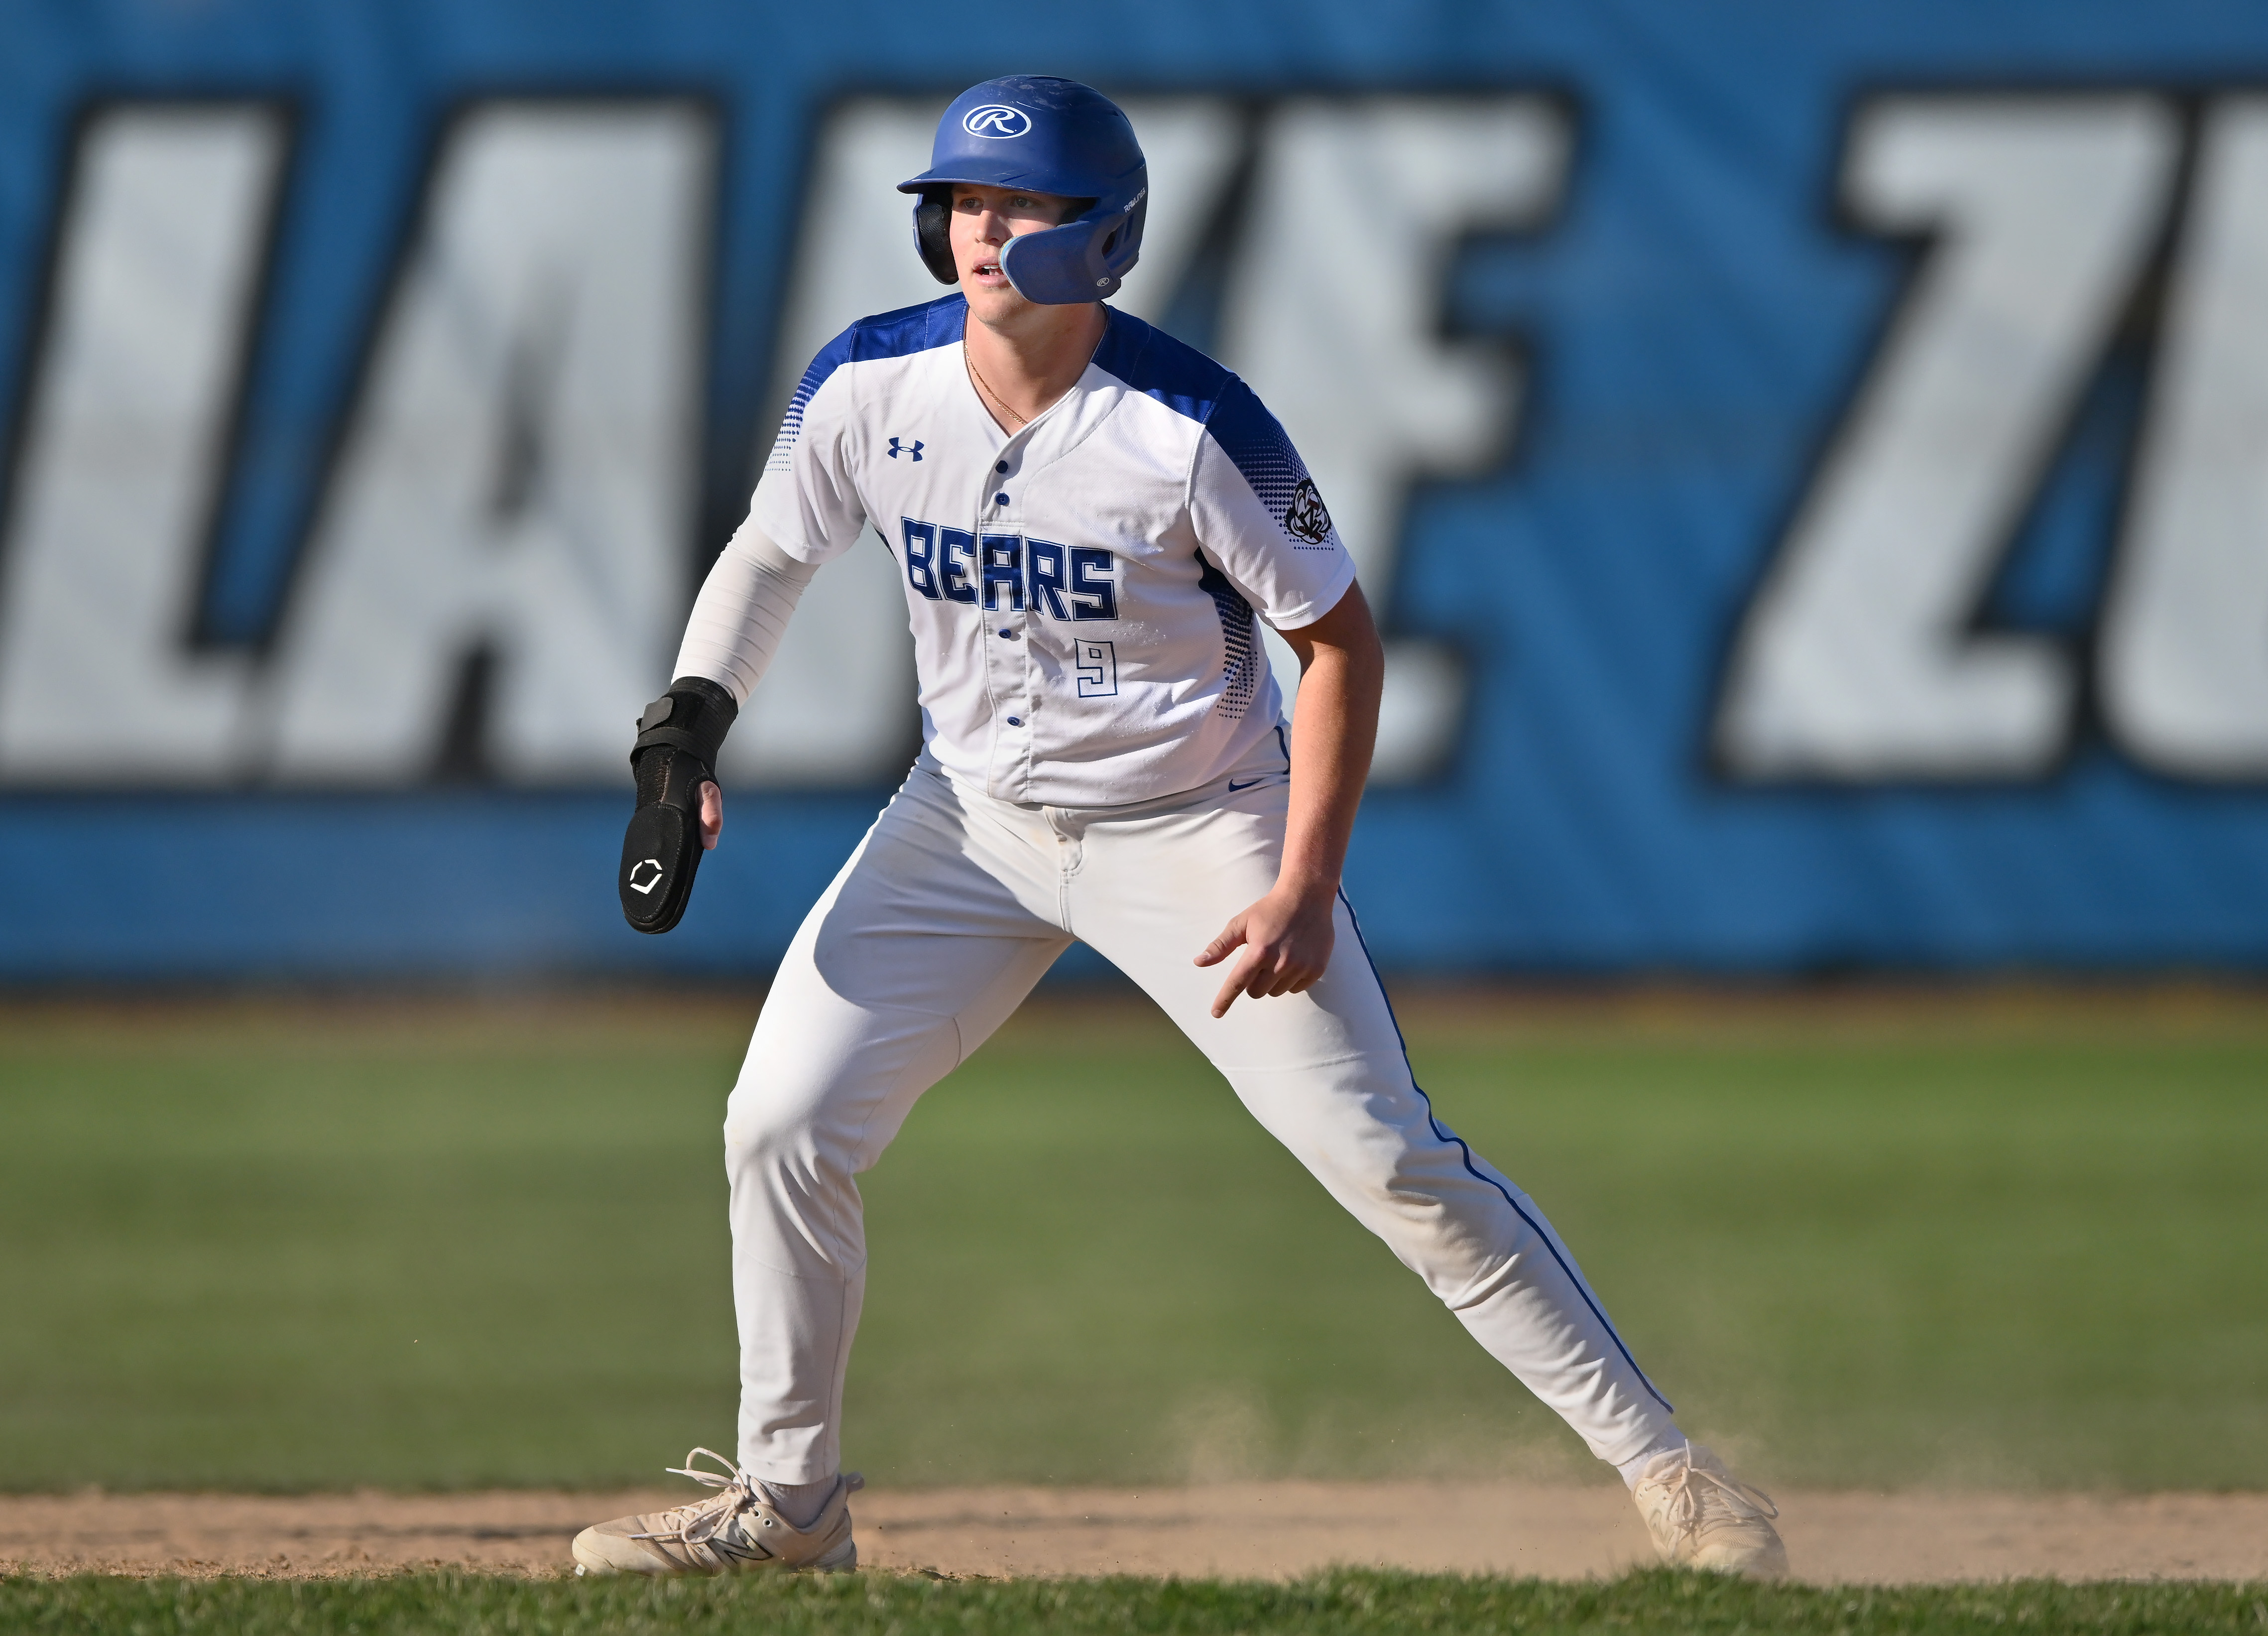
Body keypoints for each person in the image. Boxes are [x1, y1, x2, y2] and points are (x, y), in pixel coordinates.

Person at [575, 75, 1787, 1579]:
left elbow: (1338, 644)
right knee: (779, 1125)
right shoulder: (868, 384)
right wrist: (687, 721)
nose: (978, 229)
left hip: (1196, 830)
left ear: (1105, 239)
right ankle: (791, 1509)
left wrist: (1303, 880)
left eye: (1017, 206)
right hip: (965, 819)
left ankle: (1669, 1475)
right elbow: (767, 553)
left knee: (1383, 1156)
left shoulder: (1189, 428)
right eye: (961, 199)